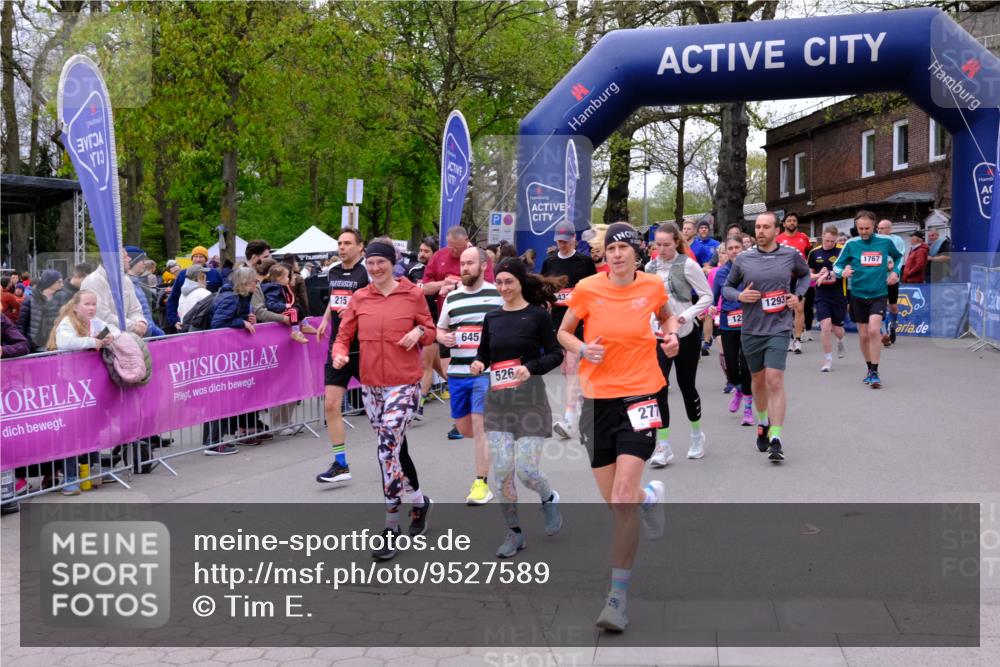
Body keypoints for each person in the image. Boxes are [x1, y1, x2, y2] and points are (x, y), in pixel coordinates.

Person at [558, 222, 680, 632]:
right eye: (610, 248)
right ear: (604, 254)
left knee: (621, 499)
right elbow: (564, 331)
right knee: (616, 501)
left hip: (642, 394)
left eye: (624, 248)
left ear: (636, 253)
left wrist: (672, 335)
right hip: (598, 401)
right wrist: (581, 347)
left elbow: (668, 317)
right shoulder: (589, 288)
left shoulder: (651, 287)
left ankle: (616, 599)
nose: (616, 254)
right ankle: (650, 498)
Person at [332, 241, 435, 560]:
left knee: (387, 446)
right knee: (396, 449)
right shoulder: (360, 297)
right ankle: (419, 502)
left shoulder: (412, 294)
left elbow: (430, 329)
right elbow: (343, 336)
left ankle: (391, 526)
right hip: (372, 386)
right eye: (371, 262)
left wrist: (418, 334)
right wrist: (338, 354)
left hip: (404, 383)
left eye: (381, 262)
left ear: (393, 263)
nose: (376, 268)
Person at [469, 258, 565, 557]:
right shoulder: (492, 317)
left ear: (521, 282)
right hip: (499, 403)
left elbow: (556, 354)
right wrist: (478, 363)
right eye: (498, 282)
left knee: (525, 471)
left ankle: (548, 498)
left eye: (508, 281)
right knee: (501, 472)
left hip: (530, 401)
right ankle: (514, 533)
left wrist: (531, 367)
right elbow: (485, 353)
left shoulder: (537, 316)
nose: (503, 287)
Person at [723, 211, 809, 462]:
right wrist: (739, 296)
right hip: (751, 328)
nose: (760, 231)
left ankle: (776, 438)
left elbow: (804, 275)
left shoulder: (790, 255)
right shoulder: (744, 259)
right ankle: (762, 423)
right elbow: (727, 287)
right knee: (758, 382)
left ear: (776, 229)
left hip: (779, 326)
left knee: (774, 380)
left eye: (765, 227)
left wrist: (798, 295)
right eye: (757, 227)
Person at [436, 247, 503, 505]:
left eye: (469, 264)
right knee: (465, 429)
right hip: (457, 372)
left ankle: (481, 484)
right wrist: (444, 337)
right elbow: (440, 328)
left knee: (479, 423)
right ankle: (494, 436)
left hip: (484, 373)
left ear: (483, 266)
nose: (464, 268)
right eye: (462, 264)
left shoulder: (496, 295)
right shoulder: (452, 298)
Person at [644, 223, 713, 464]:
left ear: (676, 242)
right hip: (658, 335)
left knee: (686, 386)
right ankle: (663, 445)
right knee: (657, 388)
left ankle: (696, 436)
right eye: (657, 245)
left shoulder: (688, 264)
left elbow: (707, 295)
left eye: (666, 245)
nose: (661, 250)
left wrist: (688, 314)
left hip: (685, 334)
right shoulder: (649, 268)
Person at [422, 226, 496, 439]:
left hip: (479, 328)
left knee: (479, 412)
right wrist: (443, 284)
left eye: (459, 249)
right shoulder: (438, 257)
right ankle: (463, 417)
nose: (454, 253)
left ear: (467, 242)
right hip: (450, 321)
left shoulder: (479, 260)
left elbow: (489, 284)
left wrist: (457, 285)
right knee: (449, 371)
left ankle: (482, 416)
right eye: (451, 248)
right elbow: (425, 288)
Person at [46, 289, 118, 494]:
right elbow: (65, 342)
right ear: (76, 306)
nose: (92, 307)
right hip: (68, 385)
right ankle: (69, 477)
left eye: (94, 304)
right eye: (87, 304)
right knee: (71, 431)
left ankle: (94, 473)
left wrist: (110, 336)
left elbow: (113, 329)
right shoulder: (67, 323)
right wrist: (92, 342)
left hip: (89, 384)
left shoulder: (94, 322)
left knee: (93, 427)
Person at [315, 229, 368, 484]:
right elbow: (335, 298)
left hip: (364, 347)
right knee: (331, 405)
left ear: (360, 247)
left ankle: (392, 455)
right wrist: (326, 320)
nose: (342, 247)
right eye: (340, 243)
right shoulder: (334, 271)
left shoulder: (367, 272)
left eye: (347, 243)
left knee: (378, 407)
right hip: (338, 346)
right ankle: (340, 463)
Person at [833, 210, 902, 389]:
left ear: (874, 226)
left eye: (867, 228)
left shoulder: (885, 242)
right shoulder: (851, 244)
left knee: (873, 330)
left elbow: (899, 257)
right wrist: (843, 272)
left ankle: (875, 371)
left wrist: (895, 271)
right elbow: (837, 265)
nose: (864, 231)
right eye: (860, 228)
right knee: (863, 335)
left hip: (879, 293)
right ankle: (869, 368)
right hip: (857, 293)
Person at [541, 221, 597, 439]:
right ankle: (581, 402)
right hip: (556, 320)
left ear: (574, 239)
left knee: (572, 366)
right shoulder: (549, 262)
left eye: (566, 240)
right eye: (559, 240)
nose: (562, 244)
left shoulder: (584, 262)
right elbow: (544, 288)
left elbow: (593, 289)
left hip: (579, 321)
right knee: (566, 369)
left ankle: (569, 419)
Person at [206, 267, 260, 454]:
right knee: (220, 397)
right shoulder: (230, 297)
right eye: (254, 281)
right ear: (245, 282)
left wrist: (246, 318)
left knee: (225, 396)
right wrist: (241, 322)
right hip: (219, 355)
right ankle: (213, 442)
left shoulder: (241, 297)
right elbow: (218, 323)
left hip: (227, 355)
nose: (257, 284)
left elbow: (230, 317)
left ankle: (215, 440)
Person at [713, 236, 754, 426]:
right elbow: (713, 299)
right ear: (726, 251)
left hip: (748, 321)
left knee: (746, 365)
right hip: (728, 322)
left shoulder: (751, 270)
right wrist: (712, 309)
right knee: (730, 363)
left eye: (737, 247)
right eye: (730, 248)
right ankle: (738, 388)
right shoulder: (721, 273)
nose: (734, 251)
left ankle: (747, 406)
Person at [407, 237, 448, 421]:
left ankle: (419, 406)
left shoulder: (441, 273)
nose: (422, 254)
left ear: (434, 254)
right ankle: (468, 389)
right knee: (441, 367)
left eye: (426, 251)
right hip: (415, 324)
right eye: (421, 250)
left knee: (426, 364)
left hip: (434, 323)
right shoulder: (413, 271)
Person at [80, 249, 149, 338]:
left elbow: (135, 310)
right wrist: (133, 326)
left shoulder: (126, 280)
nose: (129, 259)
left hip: (125, 335)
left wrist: (140, 322)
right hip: (101, 338)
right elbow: (101, 316)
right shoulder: (93, 281)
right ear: (114, 260)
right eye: (125, 257)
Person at [808, 226, 848, 372]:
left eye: (832, 241)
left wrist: (829, 273)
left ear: (836, 239)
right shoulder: (814, 252)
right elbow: (809, 275)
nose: (829, 243)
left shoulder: (842, 251)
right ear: (822, 237)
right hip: (821, 295)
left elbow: (846, 271)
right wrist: (819, 276)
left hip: (838, 293)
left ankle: (841, 341)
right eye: (827, 240)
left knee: (838, 329)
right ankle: (828, 360)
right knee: (825, 326)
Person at [776, 212, 812, 354]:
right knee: (786, 310)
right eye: (789, 220)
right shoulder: (778, 239)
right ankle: (789, 337)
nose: (792, 223)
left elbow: (808, 255)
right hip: (784, 277)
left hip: (799, 277)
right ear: (784, 224)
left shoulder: (804, 238)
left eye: (794, 220)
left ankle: (797, 340)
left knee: (799, 308)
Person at [164, 245, 224, 330]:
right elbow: (173, 299)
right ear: (192, 258)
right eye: (196, 256)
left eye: (201, 256)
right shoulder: (183, 274)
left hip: (211, 320)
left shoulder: (214, 273)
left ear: (206, 259)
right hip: (188, 320)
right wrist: (174, 320)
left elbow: (224, 293)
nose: (198, 259)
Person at [876, 219, 908, 346]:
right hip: (878, 278)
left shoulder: (897, 240)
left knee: (893, 306)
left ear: (890, 229)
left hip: (892, 278)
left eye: (882, 228)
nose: (879, 230)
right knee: (880, 306)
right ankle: (884, 334)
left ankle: (893, 328)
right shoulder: (874, 240)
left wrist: (894, 270)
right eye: (878, 228)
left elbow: (900, 258)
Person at [262, 263, 309, 343]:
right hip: (278, 312)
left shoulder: (281, 287)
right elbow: (270, 304)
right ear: (280, 278)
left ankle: (305, 325)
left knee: (297, 306)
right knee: (293, 311)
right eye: (287, 277)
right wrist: (284, 306)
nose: (289, 278)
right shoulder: (273, 288)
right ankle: (295, 332)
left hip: (282, 310)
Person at [125, 247, 166, 337]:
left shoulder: (135, 283)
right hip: (139, 335)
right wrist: (156, 332)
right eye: (142, 260)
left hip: (145, 332)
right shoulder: (128, 285)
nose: (145, 264)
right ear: (133, 261)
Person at [27, 269, 65, 352]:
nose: (62, 285)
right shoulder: (30, 300)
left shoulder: (63, 300)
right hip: (34, 347)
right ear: (50, 282)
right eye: (59, 282)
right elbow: (22, 326)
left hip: (56, 346)